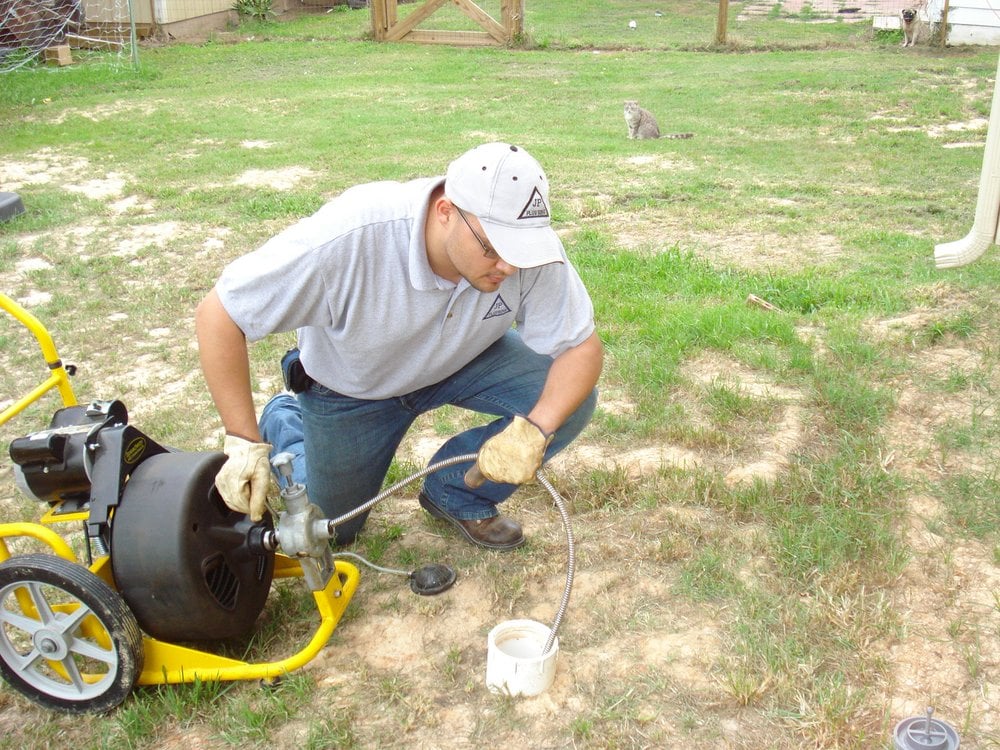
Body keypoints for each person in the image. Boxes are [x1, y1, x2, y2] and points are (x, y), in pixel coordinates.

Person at [195, 142, 602, 550]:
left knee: (567, 400)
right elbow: (221, 313)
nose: (509, 267)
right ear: (446, 212)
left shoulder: (522, 250)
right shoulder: (351, 236)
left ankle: (454, 492)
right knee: (334, 528)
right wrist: (244, 442)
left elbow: (580, 349)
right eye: (493, 247)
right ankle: (286, 418)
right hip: (354, 390)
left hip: (463, 360)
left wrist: (535, 429)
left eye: (520, 250)